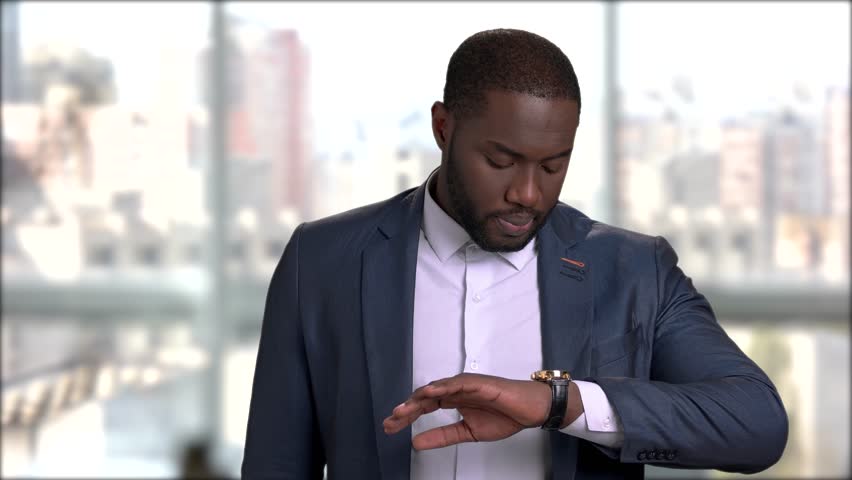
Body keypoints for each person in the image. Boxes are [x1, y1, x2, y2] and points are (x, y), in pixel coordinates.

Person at [241, 28, 788, 479]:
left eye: (553, 166)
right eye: (501, 161)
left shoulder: (634, 270)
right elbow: (276, 464)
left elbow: (757, 424)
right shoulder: (322, 260)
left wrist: (564, 404)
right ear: (443, 127)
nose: (528, 193)